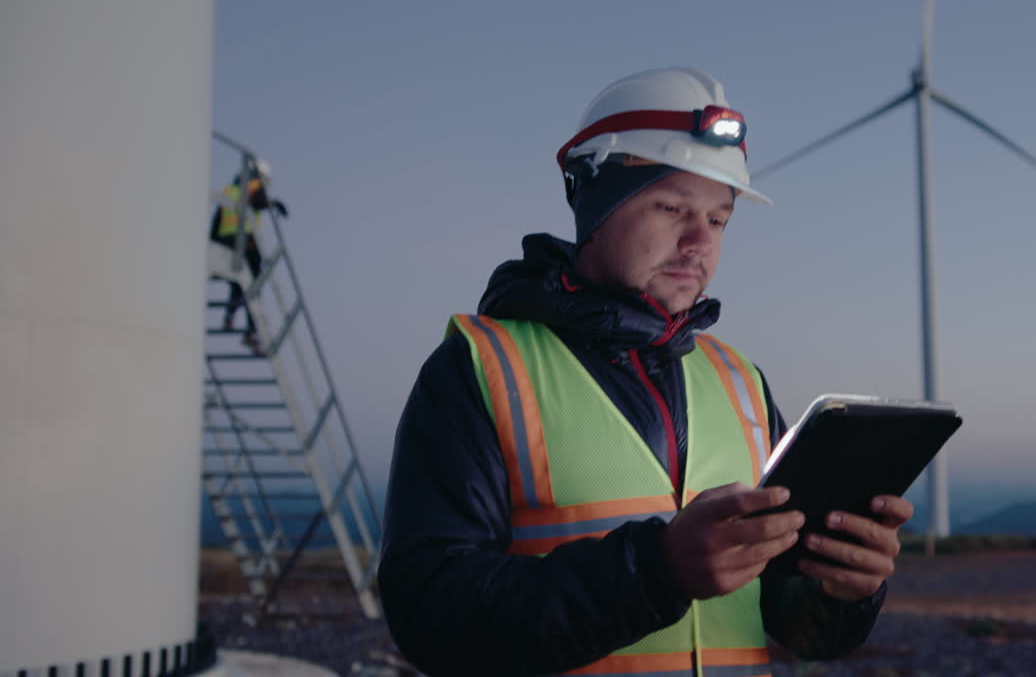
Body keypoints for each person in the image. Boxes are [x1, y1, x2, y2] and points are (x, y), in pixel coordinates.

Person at [379, 68, 914, 677]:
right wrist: (657, 571)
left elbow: (785, 620)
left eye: (718, 219)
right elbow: (431, 618)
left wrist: (842, 591)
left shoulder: (740, 381)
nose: (697, 242)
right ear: (594, 202)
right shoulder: (478, 370)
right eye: (671, 207)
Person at [209, 159, 287, 354]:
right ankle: (251, 332)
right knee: (253, 286)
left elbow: (217, 220)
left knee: (237, 283)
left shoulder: (230, 190)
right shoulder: (254, 186)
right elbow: (258, 201)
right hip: (246, 243)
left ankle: (229, 317)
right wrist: (273, 203)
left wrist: (212, 245)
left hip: (226, 243)